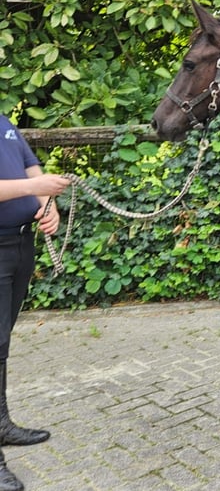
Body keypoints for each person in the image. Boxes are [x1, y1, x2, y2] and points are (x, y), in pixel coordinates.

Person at [0, 114, 70, 491]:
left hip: (20, 243)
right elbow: (33, 179)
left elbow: (30, 166)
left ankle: (1, 424)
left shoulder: (3, 122)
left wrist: (46, 203)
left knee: (1, 342)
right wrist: (38, 186)